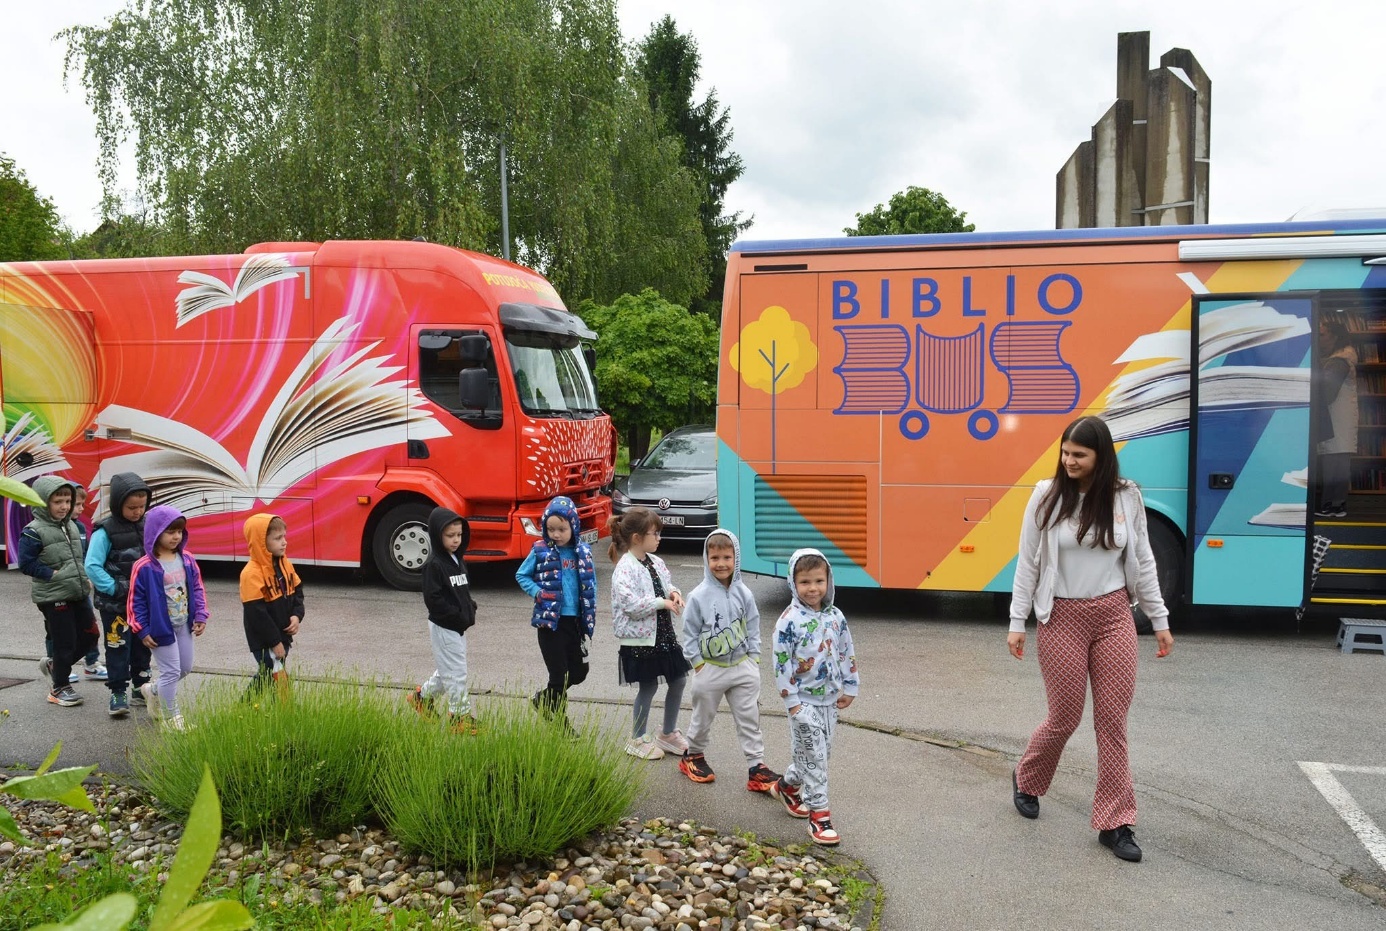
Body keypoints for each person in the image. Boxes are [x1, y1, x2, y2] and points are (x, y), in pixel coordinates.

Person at [1007, 414, 1174, 863]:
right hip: (1061, 616)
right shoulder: (1046, 496)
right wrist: (1016, 620)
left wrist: (1158, 619)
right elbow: (1028, 562)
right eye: (1065, 453)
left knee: (1112, 723)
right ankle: (1027, 778)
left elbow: (1144, 558)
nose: (1069, 461)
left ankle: (1116, 822)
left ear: (1101, 457)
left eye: (1079, 455)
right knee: (1064, 717)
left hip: (1114, 615)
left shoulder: (1126, 497)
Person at [678, 529, 782, 794]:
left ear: (736, 558)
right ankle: (693, 756)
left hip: (743, 668)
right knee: (703, 717)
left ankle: (756, 767)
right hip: (710, 670)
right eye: (714, 557)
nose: (721, 563)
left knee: (750, 718)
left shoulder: (744, 593)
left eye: (727, 557)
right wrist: (699, 664)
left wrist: (754, 659)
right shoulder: (698, 595)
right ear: (706, 559)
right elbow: (689, 633)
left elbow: (753, 625)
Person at [769, 548, 858, 847]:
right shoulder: (788, 621)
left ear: (828, 581)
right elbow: (781, 664)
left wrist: (851, 686)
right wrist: (792, 703)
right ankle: (820, 817)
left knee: (819, 755)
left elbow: (846, 651)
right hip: (802, 702)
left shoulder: (836, 616)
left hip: (830, 701)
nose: (813, 588)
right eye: (805, 582)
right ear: (794, 583)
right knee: (816, 759)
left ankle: (786, 786)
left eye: (819, 581)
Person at [608, 506, 689, 760]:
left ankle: (667, 734)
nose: (659, 538)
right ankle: (637, 737)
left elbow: (666, 583)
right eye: (655, 534)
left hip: (663, 636)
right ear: (637, 538)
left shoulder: (656, 561)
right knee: (648, 686)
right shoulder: (624, 568)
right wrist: (661, 603)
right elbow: (630, 605)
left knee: (678, 680)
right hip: (639, 639)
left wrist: (673, 593)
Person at [515, 495, 597, 731]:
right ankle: (560, 722)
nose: (556, 534)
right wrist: (538, 593)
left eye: (562, 529)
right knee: (558, 676)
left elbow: (591, 582)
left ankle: (543, 698)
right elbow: (522, 575)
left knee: (579, 672)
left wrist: (590, 611)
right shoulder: (541, 551)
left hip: (575, 623)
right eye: (551, 529)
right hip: (550, 624)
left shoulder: (583, 551)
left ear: (573, 525)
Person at [19, 476, 98, 707]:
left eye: (67, 501)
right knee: (65, 642)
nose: (64, 506)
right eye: (58, 502)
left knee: (91, 635)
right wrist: (52, 575)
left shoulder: (72, 525)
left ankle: (56, 666)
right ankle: (59, 687)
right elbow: (26, 563)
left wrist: (83, 576)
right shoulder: (33, 531)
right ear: (44, 502)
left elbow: (78, 557)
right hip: (54, 596)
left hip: (78, 591)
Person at [130, 505, 209, 730]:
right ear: (155, 532)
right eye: (170, 531)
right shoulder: (143, 566)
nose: (176, 536)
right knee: (171, 671)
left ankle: (152, 690)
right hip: (159, 628)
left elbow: (197, 588)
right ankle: (172, 718)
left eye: (180, 531)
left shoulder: (187, 559)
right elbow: (135, 601)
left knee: (184, 668)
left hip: (183, 624)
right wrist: (142, 629)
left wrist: (201, 614)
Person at [84, 473, 153, 716]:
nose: (137, 512)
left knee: (143, 647)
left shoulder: (147, 525)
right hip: (115, 605)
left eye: (142, 507)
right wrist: (115, 588)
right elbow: (92, 565)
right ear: (117, 504)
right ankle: (118, 691)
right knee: (118, 646)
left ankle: (140, 687)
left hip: (143, 605)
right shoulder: (105, 530)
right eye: (131, 507)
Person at [410, 507, 479, 734]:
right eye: (450, 536)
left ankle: (422, 697)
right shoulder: (435, 565)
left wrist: (469, 607)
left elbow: (461, 590)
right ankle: (459, 717)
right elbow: (433, 600)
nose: (456, 540)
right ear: (437, 536)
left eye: (459, 535)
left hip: (457, 626)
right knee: (457, 672)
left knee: (447, 669)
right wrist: (457, 615)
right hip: (445, 626)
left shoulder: (457, 561)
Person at [240, 513, 304, 695]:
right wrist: (274, 642)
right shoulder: (251, 574)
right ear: (261, 542)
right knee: (276, 673)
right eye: (277, 538)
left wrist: (296, 615)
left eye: (284, 536)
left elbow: (298, 592)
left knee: (268, 674)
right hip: (265, 639)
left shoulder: (286, 564)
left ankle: (247, 708)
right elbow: (256, 614)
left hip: (283, 635)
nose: (284, 542)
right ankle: (286, 711)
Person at [1315, 313, 1358, 518]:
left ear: (1335, 337)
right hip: (1337, 420)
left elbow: (1327, 393)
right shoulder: (1335, 359)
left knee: (1335, 463)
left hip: (1337, 421)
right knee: (1334, 462)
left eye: (1322, 335)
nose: (1319, 338)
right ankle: (1332, 504)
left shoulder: (1339, 361)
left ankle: (1333, 505)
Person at [69, 483, 107, 682]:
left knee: (89, 626)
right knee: (61, 630)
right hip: (62, 589)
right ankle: (57, 664)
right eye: (76, 504)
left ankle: (91, 663)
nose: (81, 509)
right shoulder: (55, 527)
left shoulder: (81, 527)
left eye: (82, 504)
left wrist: (87, 576)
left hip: (81, 587)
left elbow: (84, 556)